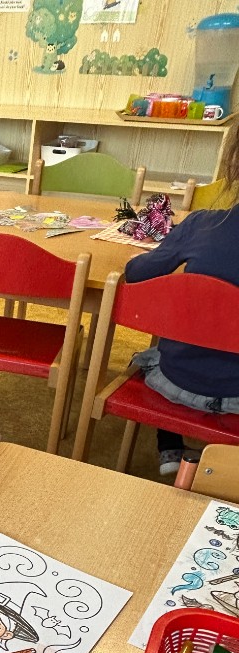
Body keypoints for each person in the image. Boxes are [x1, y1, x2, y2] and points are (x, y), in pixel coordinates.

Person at [126, 118, 239, 476]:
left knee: (152, 353)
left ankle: (170, 448)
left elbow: (136, 274)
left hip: (179, 381)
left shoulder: (202, 224)